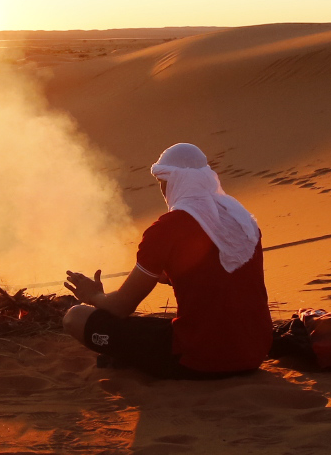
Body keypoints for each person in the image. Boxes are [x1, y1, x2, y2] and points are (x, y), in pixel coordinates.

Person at [63, 142, 271, 379]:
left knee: (75, 317)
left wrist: (93, 296)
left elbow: (122, 306)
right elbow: (218, 274)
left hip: (202, 359)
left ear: (171, 183)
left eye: (163, 183)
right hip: (255, 352)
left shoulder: (165, 229)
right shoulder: (241, 219)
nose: (163, 191)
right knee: (157, 322)